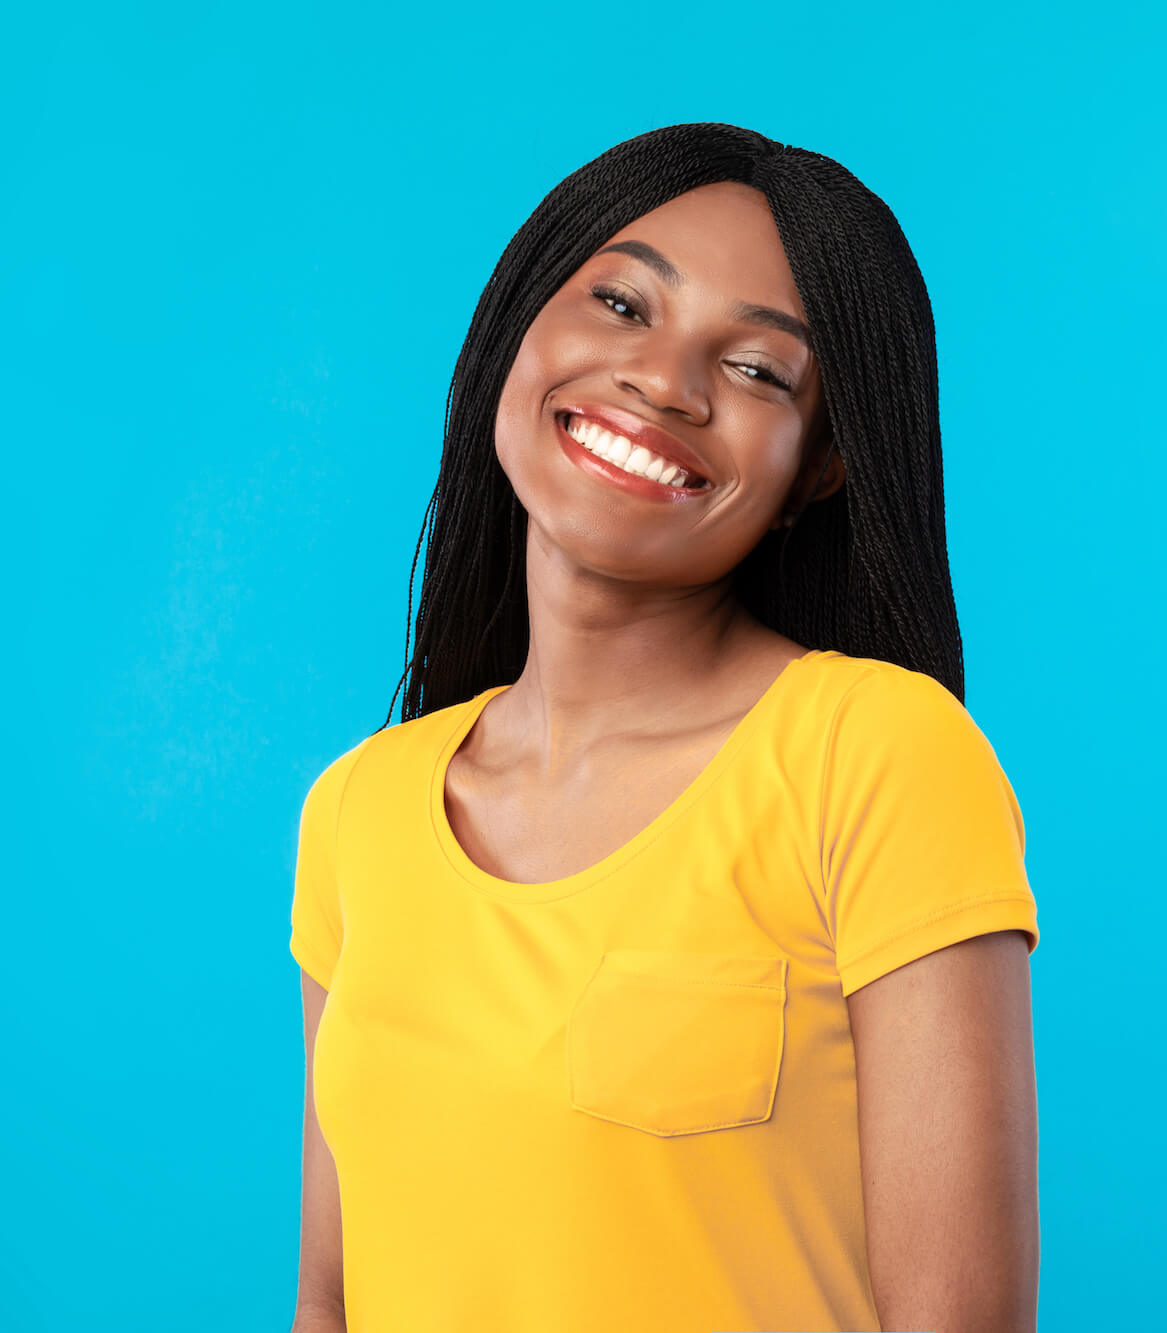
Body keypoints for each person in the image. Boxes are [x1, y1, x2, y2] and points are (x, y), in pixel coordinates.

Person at [288, 122, 1040, 1333]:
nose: (664, 383)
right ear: (519, 326)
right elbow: (327, 1300)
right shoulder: (356, 810)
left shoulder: (875, 757)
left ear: (818, 469)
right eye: (623, 305)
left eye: (755, 371)